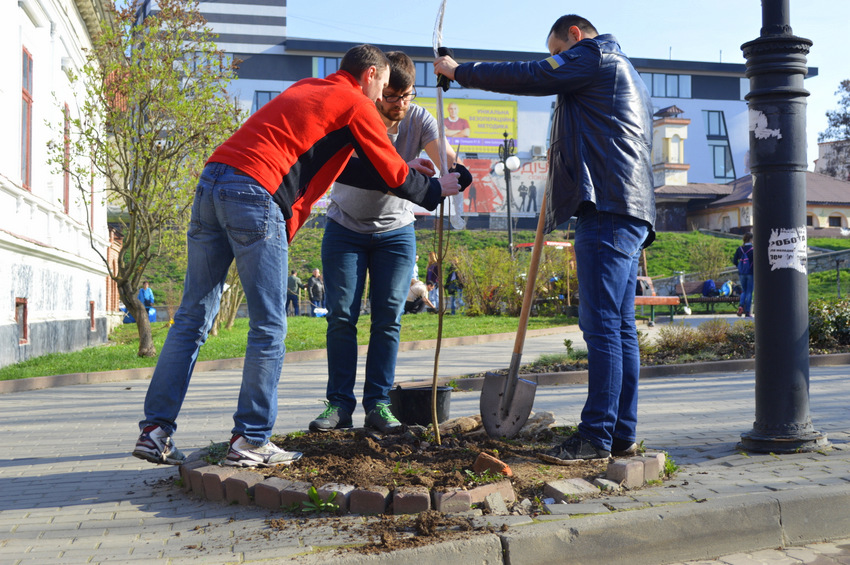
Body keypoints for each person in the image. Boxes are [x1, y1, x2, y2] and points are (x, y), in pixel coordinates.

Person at [132, 44, 461, 468]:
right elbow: (393, 172)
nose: (383, 96)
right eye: (383, 85)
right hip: (255, 194)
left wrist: (408, 173)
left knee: (192, 318)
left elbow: (348, 167)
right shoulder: (357, 103)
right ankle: (250, 439)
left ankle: (155, 431)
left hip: (213, 180)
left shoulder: (309, 88)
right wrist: (435, 189)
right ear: (370, 75)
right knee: (269, 325)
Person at [436, 14, 655, 461]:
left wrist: (460, 72)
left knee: (602, 328)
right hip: (630, 207)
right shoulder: (624, 71)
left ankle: (595, 437)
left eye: (558, 52)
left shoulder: (593, 55)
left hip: (608, 207)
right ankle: (620, 434)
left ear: (574, 36)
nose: (557, 61)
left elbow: (533, 75)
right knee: (619, 328)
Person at [310, 51, 467, 435]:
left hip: (395, 233)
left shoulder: (419, 119)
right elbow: (344, 167)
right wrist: (400, 170)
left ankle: (378, 404)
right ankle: (339, 404)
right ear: (378, 89)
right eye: (392, 97)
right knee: (341, 317)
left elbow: (448, 163)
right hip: (345, 227)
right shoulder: (356, 113)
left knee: (388, 320)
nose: (399, 105)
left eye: (406, 96)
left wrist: (456, 174)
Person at [733, 232, 754, 318]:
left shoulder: (740, 249)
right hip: (751, 273)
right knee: (749, 292)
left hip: (741, 273)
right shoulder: (753, 249)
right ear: (751, 239)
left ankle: (741, 306)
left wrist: (740, 267)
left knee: (744, 291)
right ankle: (748, 312)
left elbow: (734, 261)